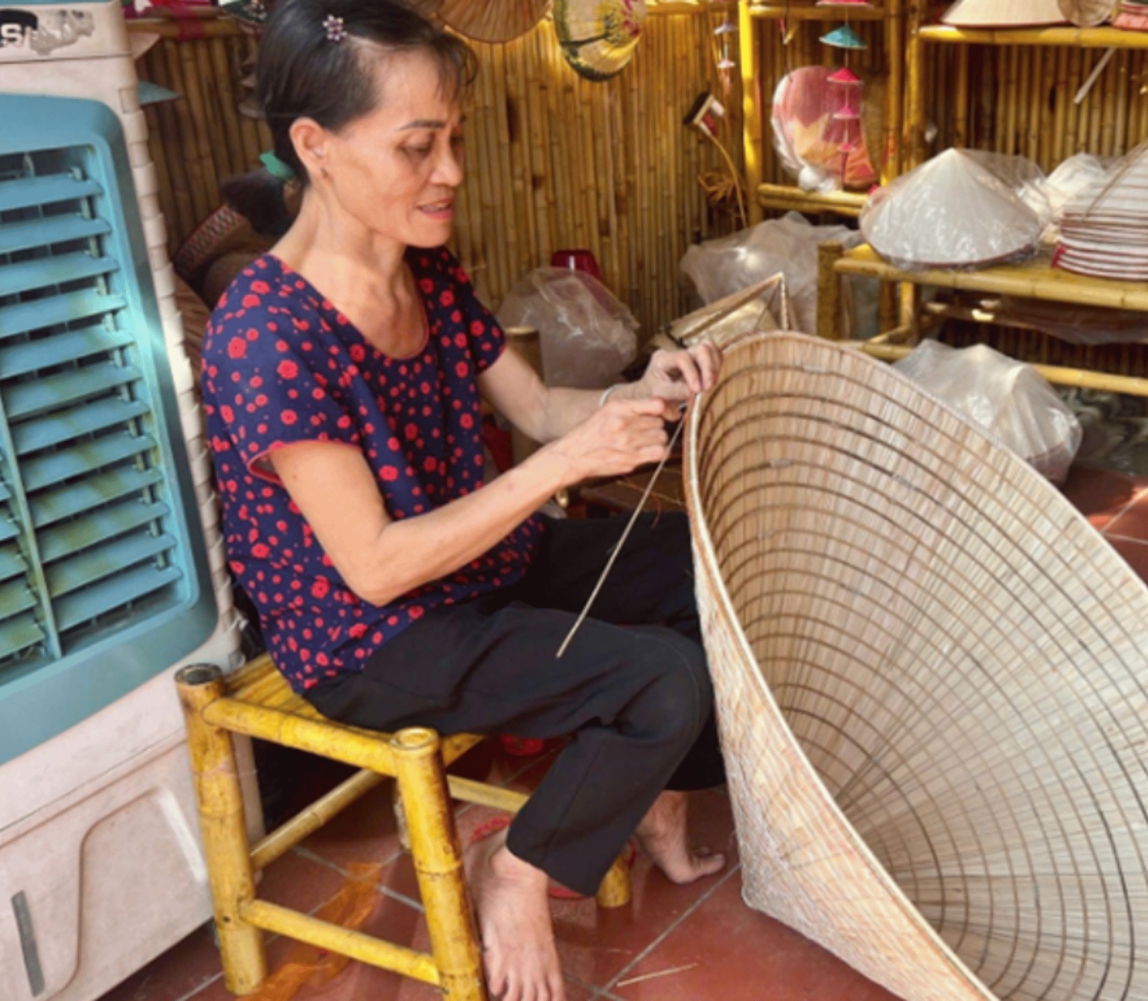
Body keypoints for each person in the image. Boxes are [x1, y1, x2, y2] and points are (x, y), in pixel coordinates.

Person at [199, 2, 727, 998]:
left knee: (710, 560)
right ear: (314, 146)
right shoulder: (267, 334)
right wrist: (561, 468)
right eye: (417, 146)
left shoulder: (425, 267)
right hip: (371, 635)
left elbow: (537, 406)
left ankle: (655, 792)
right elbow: (375, 565)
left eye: (455, 139)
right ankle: (516, 868)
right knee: (662, 679)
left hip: (479, 562)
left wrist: (640, 389)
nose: (448, 171)